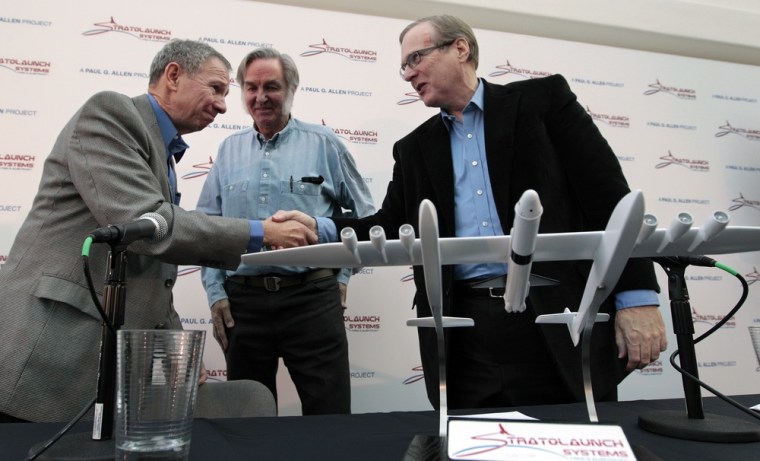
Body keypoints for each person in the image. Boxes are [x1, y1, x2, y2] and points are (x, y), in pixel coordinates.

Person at [279, 15, 667, 410]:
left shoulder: (542, 102)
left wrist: (637, 297)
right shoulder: (413, 149)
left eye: (416, 58)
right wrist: (322, 226)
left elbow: (610, 198)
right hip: (465, 335)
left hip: (557, 317)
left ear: (460, 49)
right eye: (404, 67)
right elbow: (389, 226)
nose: (408, 75)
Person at [0, 40, 317, 423]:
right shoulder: (111, 114)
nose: (222, 105)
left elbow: (152, 270)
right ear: (173, 75)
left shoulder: (160, 151)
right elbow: (147, 223)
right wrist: (260, 232)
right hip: (48, 349)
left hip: (93, 365)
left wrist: (175, 345)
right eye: (216, 88)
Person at [196, 47, 375, 415]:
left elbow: (367, 218)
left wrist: (342, 274)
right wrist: (216, 293)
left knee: (330, 421)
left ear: (292, 87)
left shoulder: (324, 143)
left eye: (271, 87)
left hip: (312, 301)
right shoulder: (228, 151)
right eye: (251, 87)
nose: (260, 97)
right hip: (242, 307)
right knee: (248, 423)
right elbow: (206, 229)